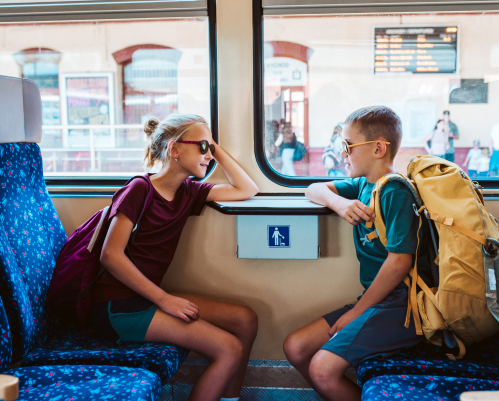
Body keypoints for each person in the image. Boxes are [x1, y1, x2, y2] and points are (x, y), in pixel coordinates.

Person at [90, 114, 259, 401]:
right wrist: (165, 300)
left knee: (245, 319)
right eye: (202, 147)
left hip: (144, 298)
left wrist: (213, 146)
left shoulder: (189, 192)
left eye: (210, 149)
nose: (209, 155)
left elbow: (247, 189)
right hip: (117, 306)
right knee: (228, 348)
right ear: (174, 149)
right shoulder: (139, 189)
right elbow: (110, 255)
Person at [283, 106, 432, 401]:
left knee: (322, 370)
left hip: (404, 306)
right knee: (295, 346)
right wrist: (339, 205)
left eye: (348, 146)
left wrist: (356, 312)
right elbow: (314, 189)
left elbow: (400, 261)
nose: (343, 154)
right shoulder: (363, 184)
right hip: (381, 302)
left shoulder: (395, 192)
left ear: (378, 148)